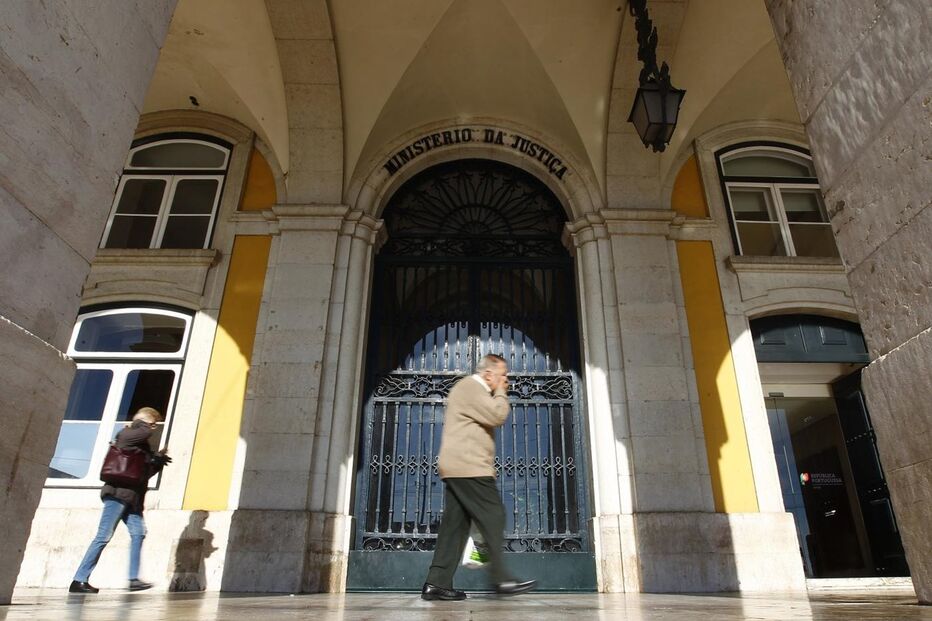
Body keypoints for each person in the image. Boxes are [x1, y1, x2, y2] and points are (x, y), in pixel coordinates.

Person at [421, 354, 537, 601]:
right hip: (469, 466)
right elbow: (497, 415)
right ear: (488, 374)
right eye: (503, 375)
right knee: (494, 516)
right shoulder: (472, 387)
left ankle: (436, 582)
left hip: (459, 466)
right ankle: (502, 579)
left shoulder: (468, 389)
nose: (506, 380)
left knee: (454, 527)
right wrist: (501, 393)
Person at [69, 407, 172, 593]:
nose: (154, 428)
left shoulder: (139, 445)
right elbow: (143, 432)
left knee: (138, 533)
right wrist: (143, 422)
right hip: (117, 494)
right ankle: (79, 579)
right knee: (103, 536)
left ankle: (133, 579)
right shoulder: (127, 434)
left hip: (131, 498)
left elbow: (140, 476)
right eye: (153, 423)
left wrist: (157, 461)